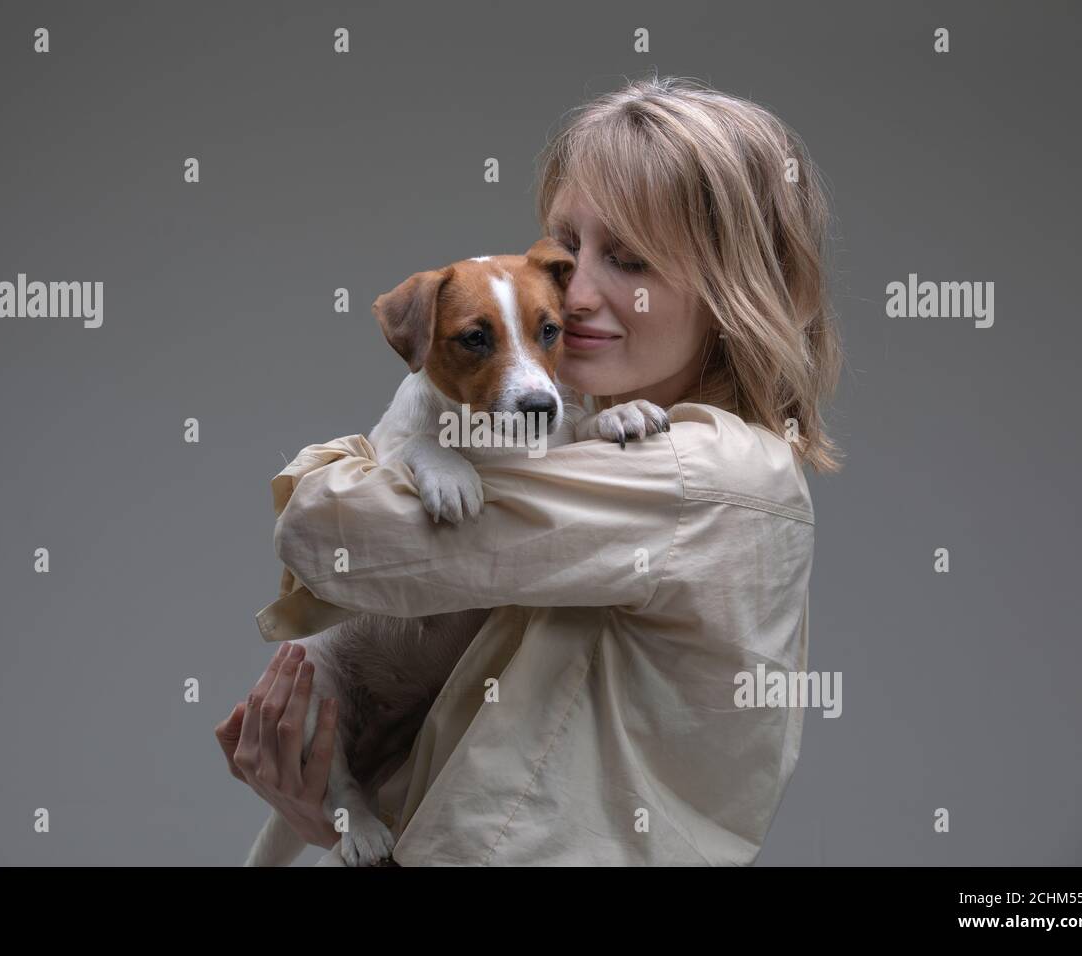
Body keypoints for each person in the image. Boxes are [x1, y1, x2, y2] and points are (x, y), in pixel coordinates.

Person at [217, 73, 843, 866]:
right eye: (565, 244)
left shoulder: (700, 477)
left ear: (735, 295)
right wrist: (331, 800)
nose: (570, 288)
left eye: (628, 260)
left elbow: (324, 530)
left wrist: (350, 460)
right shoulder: (608, 448)